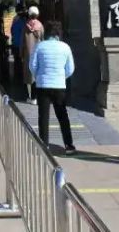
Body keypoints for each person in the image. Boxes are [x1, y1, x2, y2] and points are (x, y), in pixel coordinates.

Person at [29, 21, 77, 155]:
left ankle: (44, 145)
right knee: (62, 115)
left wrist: (39, 76)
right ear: (58, 33)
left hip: (43, 84)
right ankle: (69, 145)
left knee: (43, 116)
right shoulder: (65, 47)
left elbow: (32, 65)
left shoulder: (39, 46)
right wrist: (61, 76)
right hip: (59, 85)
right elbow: (70, 69)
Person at [21, 6, 44, 103]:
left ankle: (29, 97)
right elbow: (42, 40)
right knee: (37, 75)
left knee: (28, 75)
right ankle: (35, 97)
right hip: (38, 54)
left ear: (29, 15)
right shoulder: (41, 26)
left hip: (28, 54)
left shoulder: (25, 26)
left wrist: (21, 54)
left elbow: (22, 42)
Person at [10, 6, 27, 84]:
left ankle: (17, 76)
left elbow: (12, 31)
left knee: (17, 60)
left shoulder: (15, 21)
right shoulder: (24, 23)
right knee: (23, 60)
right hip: (22, 44)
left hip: (15, 44)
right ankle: (23, 76)